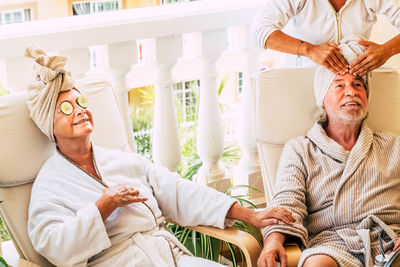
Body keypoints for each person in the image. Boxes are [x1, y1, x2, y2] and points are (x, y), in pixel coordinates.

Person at [24, 44, 294, 267]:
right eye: (66, 108)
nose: (80, 110)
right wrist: (101, 207)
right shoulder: (50, 186)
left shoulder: (122, 161)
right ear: (50, 124)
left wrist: (250, 215)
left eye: (81, 102)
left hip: (168, 257)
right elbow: (54, 246)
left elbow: (179, 191)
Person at [257, 37, 400, 267]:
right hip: (332, 244)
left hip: (390, 242)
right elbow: (286, 203)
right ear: (323, 99)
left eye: (358, 84)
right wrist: (273, 241)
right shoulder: (301, 150)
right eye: (339, 85)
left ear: (367, 97)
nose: (351, 92)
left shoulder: (394, 146)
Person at [251, 0, 400, 76]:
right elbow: (260, 31)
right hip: (303, 81)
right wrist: (309, 50)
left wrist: (387, 50)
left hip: (351, 86)